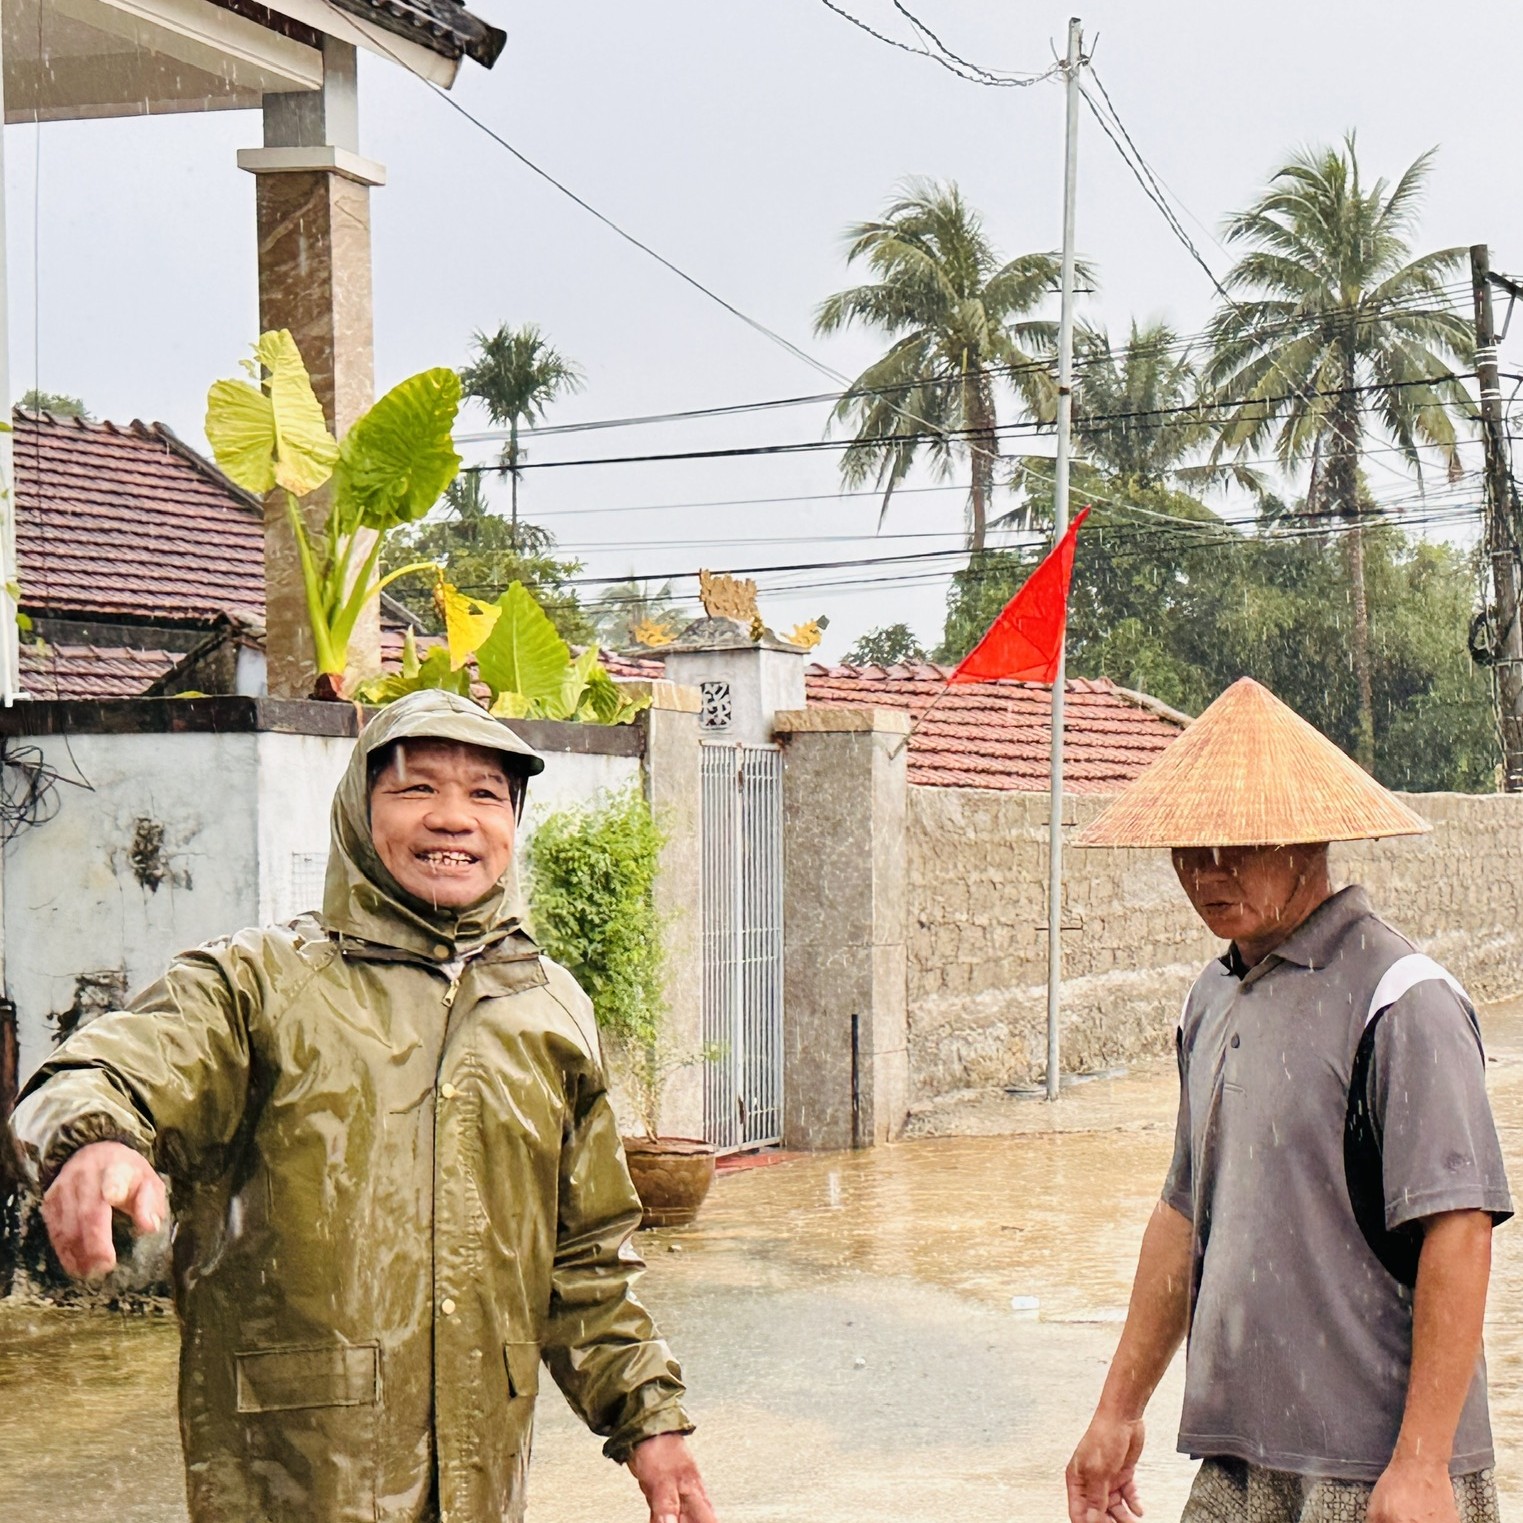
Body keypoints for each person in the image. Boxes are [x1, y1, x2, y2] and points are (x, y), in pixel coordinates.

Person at [10, 689, 718, 1523]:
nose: (453, 817)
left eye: (485, 793)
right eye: (417, 788)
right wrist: (94, 1138)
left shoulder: (548, 1007)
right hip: (294, 1481)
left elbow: (585, 1258)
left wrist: (648, 1419)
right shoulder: (260, 982)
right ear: (359, 808)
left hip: (482, 1482)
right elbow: (107, 1065)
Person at [1064, 678, 1512, 1523]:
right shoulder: (1210, 997)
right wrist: (1117, 1410)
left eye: (1238, 844)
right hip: (1239, 1457)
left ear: (1308, 838)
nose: (1208, 870)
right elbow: (1184, 1213)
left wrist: (1422, 1463)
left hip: (1370, 1469)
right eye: (1189, 847)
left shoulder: (1400, 999)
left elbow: (1458, 1227)